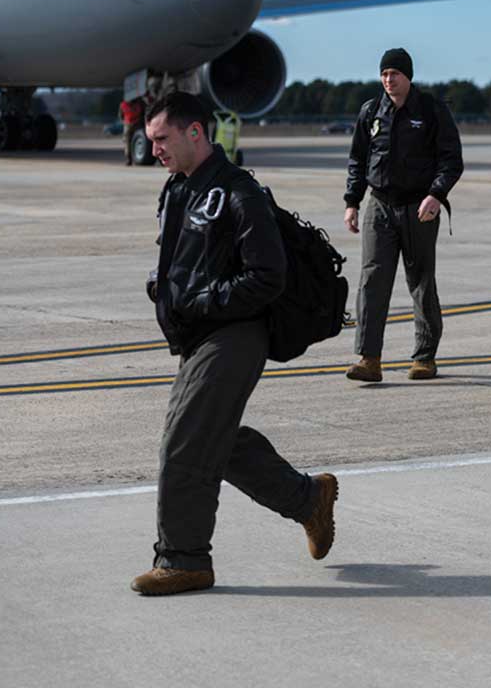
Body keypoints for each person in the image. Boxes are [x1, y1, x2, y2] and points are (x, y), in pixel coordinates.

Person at [132, 91, 338, 596]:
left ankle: (184, 560)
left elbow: (269, 276)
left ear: (195, 133)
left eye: (161, 138)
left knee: (185, 443)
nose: (152, 148)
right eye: (151, 139)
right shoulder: (178, 190)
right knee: (212, 439)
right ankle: (307, 499)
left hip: (237, 331)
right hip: (198, 335)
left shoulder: (238, 192)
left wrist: (202, 299)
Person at [343, 48, 463, 383]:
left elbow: (451, 159)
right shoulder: (371, 112)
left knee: (421, 281)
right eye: (384, 74)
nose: (388, 79)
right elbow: (358, 160)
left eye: (395, 73)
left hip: (418, 207)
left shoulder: (430, 110)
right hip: (379, 205)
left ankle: (424, 358)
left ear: (408, 76)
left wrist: (436, 195)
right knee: (372, 281)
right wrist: (352, 201)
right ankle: (369, 359)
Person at [120, 96, 145, 165]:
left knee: (128, 142)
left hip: (128, 124)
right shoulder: (139, 103)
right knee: (136, 141)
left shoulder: (123, 104)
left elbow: (121, 116)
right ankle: (132, 158)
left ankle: (129, 159)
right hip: (137, 124)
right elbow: (144, 113)